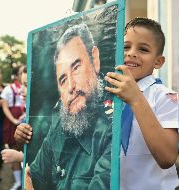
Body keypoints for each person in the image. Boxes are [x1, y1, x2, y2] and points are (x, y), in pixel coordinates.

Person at [15, 23, 112, 190]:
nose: (70, 87)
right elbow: (33, 177)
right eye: (63, 80)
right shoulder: (60, 122)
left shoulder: (115, 122)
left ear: (94, 59)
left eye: (76, 68)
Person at [104, 17, 179, 190]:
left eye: (143, 49)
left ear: (158, 61)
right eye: (125, 47)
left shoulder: (166, 97)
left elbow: (167, 158)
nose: (131, 53)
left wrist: (136, 98)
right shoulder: (107, 93)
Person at [0, 65, 25, 190]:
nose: (22, 75)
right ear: (16, 75)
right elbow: (5, 107)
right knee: (14, 148)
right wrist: (14, 120)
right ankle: (18, 182)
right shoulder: (9, 89)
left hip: (25, 118)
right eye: (20, 73)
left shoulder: (28, 87)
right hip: (13, 121)